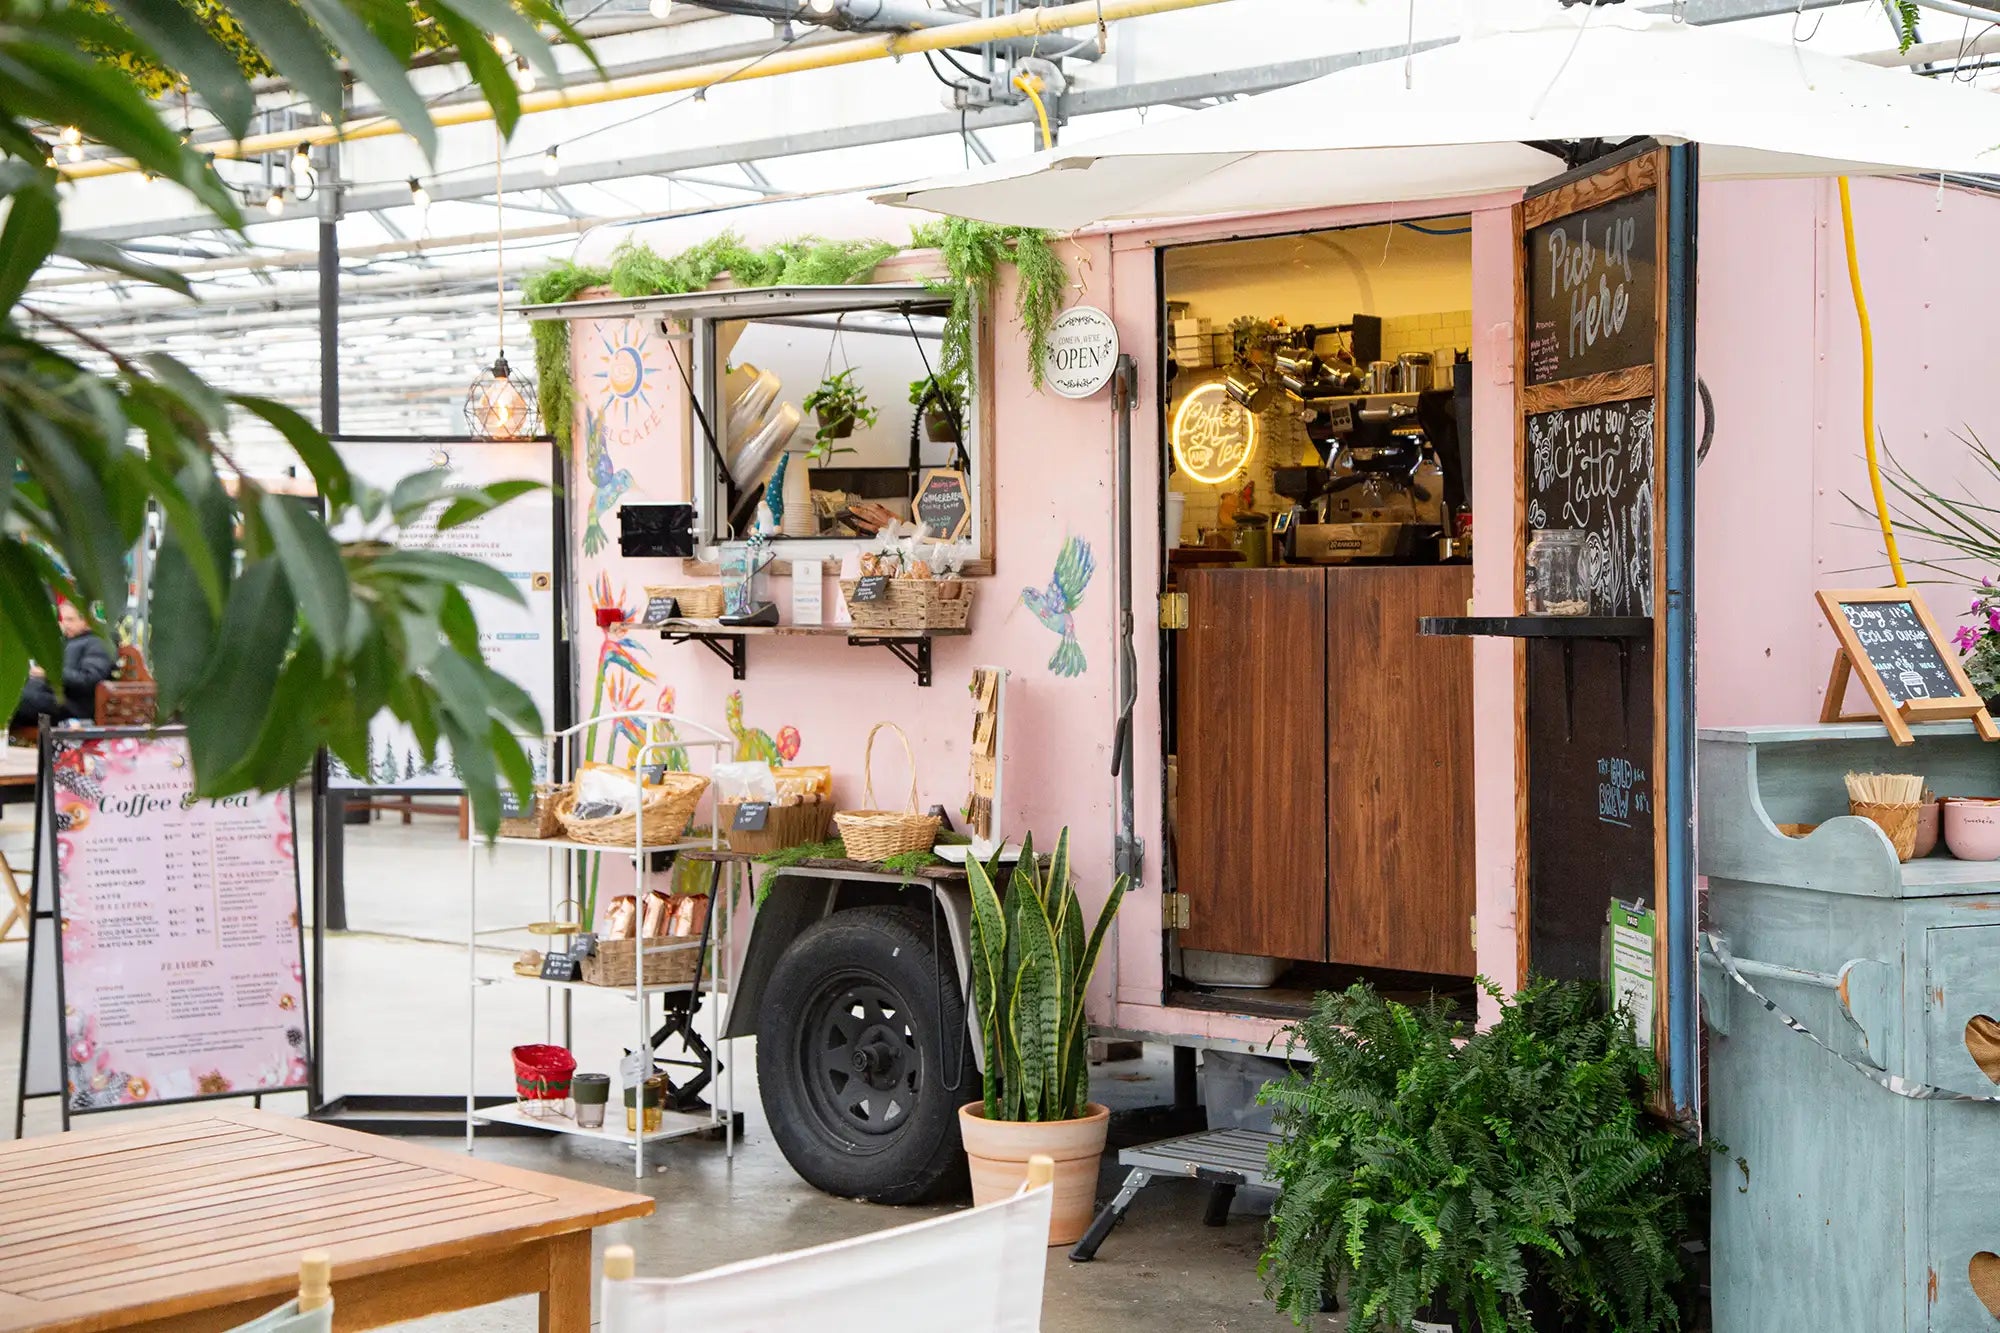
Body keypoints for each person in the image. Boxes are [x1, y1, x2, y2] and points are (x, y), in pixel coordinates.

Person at [10, 601, 117, 729]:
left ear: (86, 621)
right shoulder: (69, 641)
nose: (65, 624)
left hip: (74, 705)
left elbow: (89, 679)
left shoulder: (98, 643)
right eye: (63, 619)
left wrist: (50, 673)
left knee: (17, 700)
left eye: (70, 619)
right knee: (12, 694)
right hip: (53, 697)